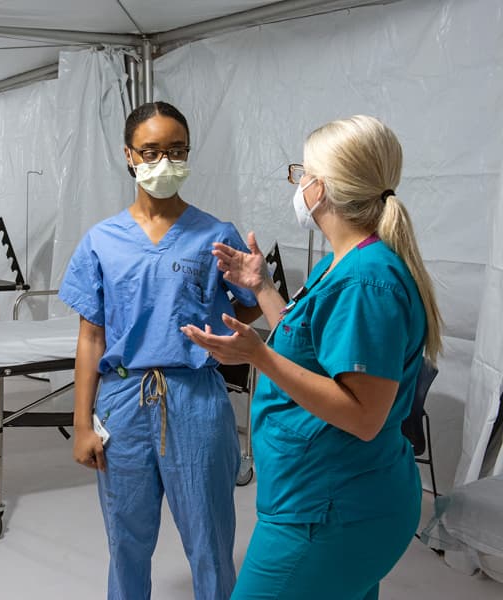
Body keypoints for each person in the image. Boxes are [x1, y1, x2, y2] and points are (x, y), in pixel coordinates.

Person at [181, 115, 443, 600]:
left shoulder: (366, 281)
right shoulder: (341, 263)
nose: (298, 182)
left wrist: (257, 355)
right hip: (333, 497)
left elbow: (364, 416)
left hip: (329, 509)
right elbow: (312, 349)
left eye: (300, 173)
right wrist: (261, 288)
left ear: (319, 188)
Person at [58, 101, 261, 599]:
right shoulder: (102, 240)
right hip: (123, 403)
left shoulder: (215, 235)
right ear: (129, 155)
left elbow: (253, 304)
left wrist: (222, 330)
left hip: (196, 398)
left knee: (211, 541)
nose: (163, 162)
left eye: (176, 150)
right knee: (126, 542)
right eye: (151, 151)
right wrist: (82, 424)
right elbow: (91, 336)